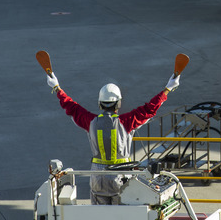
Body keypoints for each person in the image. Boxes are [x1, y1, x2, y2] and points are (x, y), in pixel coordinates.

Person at [45, 71, 180, 205]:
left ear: (100, 103)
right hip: (121, 177)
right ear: (118, 104)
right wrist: (167, 89)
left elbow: (72, 108)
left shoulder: (91, 122)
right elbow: (149, 110)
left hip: (98, 178)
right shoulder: (126, 122)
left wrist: (57, 88)